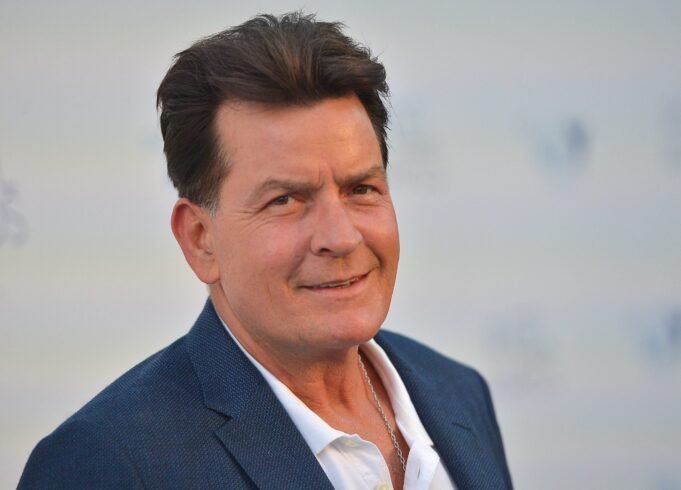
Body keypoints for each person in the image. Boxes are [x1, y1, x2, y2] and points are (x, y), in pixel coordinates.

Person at [19, 12, 512, 490]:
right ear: (199, 238)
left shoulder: (457, 392)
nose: (341, 237)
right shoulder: (109, 462)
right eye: (285, 200)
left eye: (361, 189)